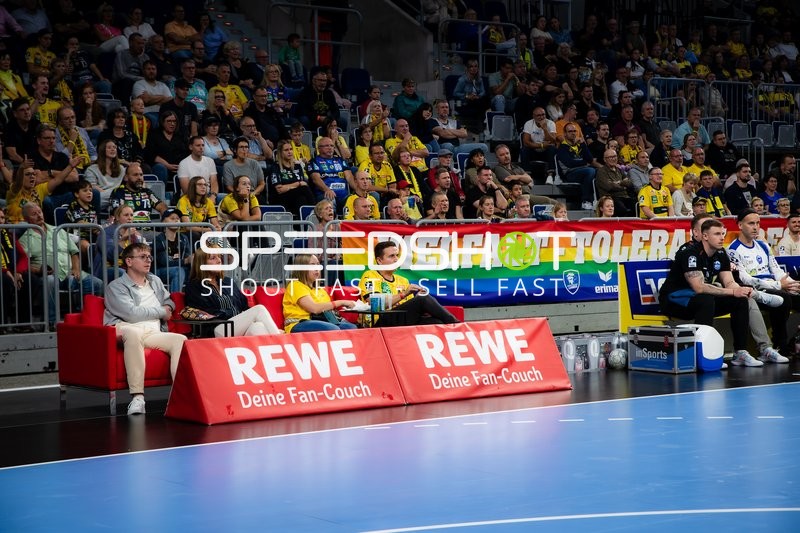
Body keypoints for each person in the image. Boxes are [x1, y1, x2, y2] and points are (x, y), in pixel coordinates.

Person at [658, 218, 762, 367]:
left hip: (697, 300)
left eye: (722, 233)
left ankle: (740, 352)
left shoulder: (721, 253)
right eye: (717, 234)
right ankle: (701, 354)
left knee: (739, 300)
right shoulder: (690, 254)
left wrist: (739, 290)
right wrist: (733, 291)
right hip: (674, 300)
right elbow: (699, 287)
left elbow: (729, 282)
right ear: (705, 236)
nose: (721, 237)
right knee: (705, 299)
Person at [103, 242, 186, 415]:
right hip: (125, 327)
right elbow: (131, 314)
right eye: (142, 257)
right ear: (129, 261)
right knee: (133, 333)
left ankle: (179, 396)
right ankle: (138, 398)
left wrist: (168, 308)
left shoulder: (155, 281)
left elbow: (169, 300)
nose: (148, 260)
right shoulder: (116, 287)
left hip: (152, 331)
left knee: (180, 340)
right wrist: (161, 311)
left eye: (149, 257)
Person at [727, 209, 796, 360]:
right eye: (751, 223)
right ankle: (780, 346)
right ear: (740, 225)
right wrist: (779, 285)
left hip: (775, 285)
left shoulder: (763, 246)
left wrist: (794, 284)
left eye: (758, 223)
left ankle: (794, 342)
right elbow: (745, 279)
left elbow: (776, 270)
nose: (755, 227)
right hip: (757, 289)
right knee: (784, 299)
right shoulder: (733, 250)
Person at [19, 203, 103, 326]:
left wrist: (76, 268)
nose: (39, 215)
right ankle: (51, 322)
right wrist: (38, 271)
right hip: (48, 275)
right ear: (26, 219)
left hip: (69, 273)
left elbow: (74, 252)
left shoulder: (58, 230)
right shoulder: (25, 239)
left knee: (96, 283)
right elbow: (23, 263)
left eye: (39, 212)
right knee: (50, 281)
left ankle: (85, 319)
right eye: (34, 214)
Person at [184, 245, 282, 338]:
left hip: (235, 326)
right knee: (259, 309)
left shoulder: (228, 281)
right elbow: (207, 313)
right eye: (213, 258)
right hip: (215, 328)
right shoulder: (194, 286)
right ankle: (281, 340)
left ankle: (275, 350)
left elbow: (243, 306)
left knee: (258, 327)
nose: (219, 261)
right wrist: (232, 313)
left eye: (219, 257)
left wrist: (246, 317)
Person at [358, 241, 459, 327]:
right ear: (379, 261)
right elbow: (375, 304)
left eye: (397, 255)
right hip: (379, 321)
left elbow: (407, 307)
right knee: (423, 300)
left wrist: (416, 300)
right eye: (391, 256)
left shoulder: (403, 280)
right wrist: (404, 294)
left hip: (401, 318)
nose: (396, 259)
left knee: (437, 322)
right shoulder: (370, 276)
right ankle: (458, 325)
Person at [282, 254, 357, 333]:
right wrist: (341, 302)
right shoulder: (295, 285)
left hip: (321, 321)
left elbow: (326, 310)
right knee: (332, 329)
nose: (317, 268)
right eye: (312, 265)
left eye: (318, 264)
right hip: (299, 323)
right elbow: (314, 308)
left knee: (351, 327)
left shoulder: (320, 290)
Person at [267, 139, 315, 217]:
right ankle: (315, 209)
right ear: (280, 153)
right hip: (279, 198)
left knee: (301, 199)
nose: (289, 152)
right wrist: (297, 184)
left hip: (295, 198)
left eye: (291, 149)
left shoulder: (297, 166)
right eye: (286, 150)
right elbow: (280, 190)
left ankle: (302, 226)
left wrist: (288, 186)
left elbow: (301, 184)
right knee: (304, 189)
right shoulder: (275, 167)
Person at [308, 137, 355, 212]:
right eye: (326, 146)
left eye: (332, 146)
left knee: (355, 199)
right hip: (325, 195)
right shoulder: (314, 161)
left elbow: (349, 177)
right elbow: (316, 179)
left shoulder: (340, 160)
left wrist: (357, 189)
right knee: (330, 200)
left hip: (343, 196)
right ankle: (333, 223)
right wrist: (327, 189)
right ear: (319, 148)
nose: (330, 148)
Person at [555, 124, 597, 210]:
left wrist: (583, 144)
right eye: (570, 131)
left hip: (583, 171)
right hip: (569, 174)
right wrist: (584, 163)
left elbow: (590, 159)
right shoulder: (562, 148)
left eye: (574, 131)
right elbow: (570, 163)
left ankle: (597, 201)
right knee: (590, 171)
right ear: (565, 134)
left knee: (597, 172)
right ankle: (586, 201)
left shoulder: (580, 145)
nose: (573, 133)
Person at [152, 208, 191, 293]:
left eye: (178, 219)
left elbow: (187, 256)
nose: (176, 220)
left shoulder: (184, 238)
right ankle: (175, 302)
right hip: (160, 271)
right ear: (163, 222)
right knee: (178, 271)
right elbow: (164, 262)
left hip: (180, 269)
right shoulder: (159, 239)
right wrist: (186, 261)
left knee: (198, 269)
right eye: (172, 218)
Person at [176, 175, 221, 244]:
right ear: (193, 187)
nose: (203, 187)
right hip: (183, 233)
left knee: (219, 235)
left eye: (205, 185)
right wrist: (208, 229)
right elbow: (188, 227)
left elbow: (214, 221)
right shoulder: (183, 201)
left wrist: (217, 227)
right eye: (199, 184)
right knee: (195, 235)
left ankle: (226, 254)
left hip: (201, 231)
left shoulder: (208, 202)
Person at [84, 139, 125, 212]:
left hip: (116, 200)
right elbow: (90, 187)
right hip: (100, 197)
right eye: (109, 147)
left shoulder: (121, 169)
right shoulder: (92, 169)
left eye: (114, 147)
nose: (112, 149)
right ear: (102, 150)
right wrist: (112, 193)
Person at [595, 149, 634, 216]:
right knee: (622, 209)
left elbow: (630, 183)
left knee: (639, 206)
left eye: (615, 156)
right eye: (610, 157)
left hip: (625, 197)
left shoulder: (619, 170)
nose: (613, 159)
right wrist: (623, 185)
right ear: (605, 159)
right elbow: (609, 187)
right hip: (611, 198)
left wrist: (618, 183)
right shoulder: (601, 171)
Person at [521, 107, 557, 174]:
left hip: (546, 152)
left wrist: (545, 129)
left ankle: (551, 174)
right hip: (533, 151)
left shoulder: (551, 123)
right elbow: (526, 142)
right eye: (538, 115)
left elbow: (553, 141)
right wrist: (542, 145)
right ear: (533, 116)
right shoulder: (528, 123)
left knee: (552, 148)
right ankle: (526, 173)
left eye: (543, 114)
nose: (541, 117)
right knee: (524, 149)